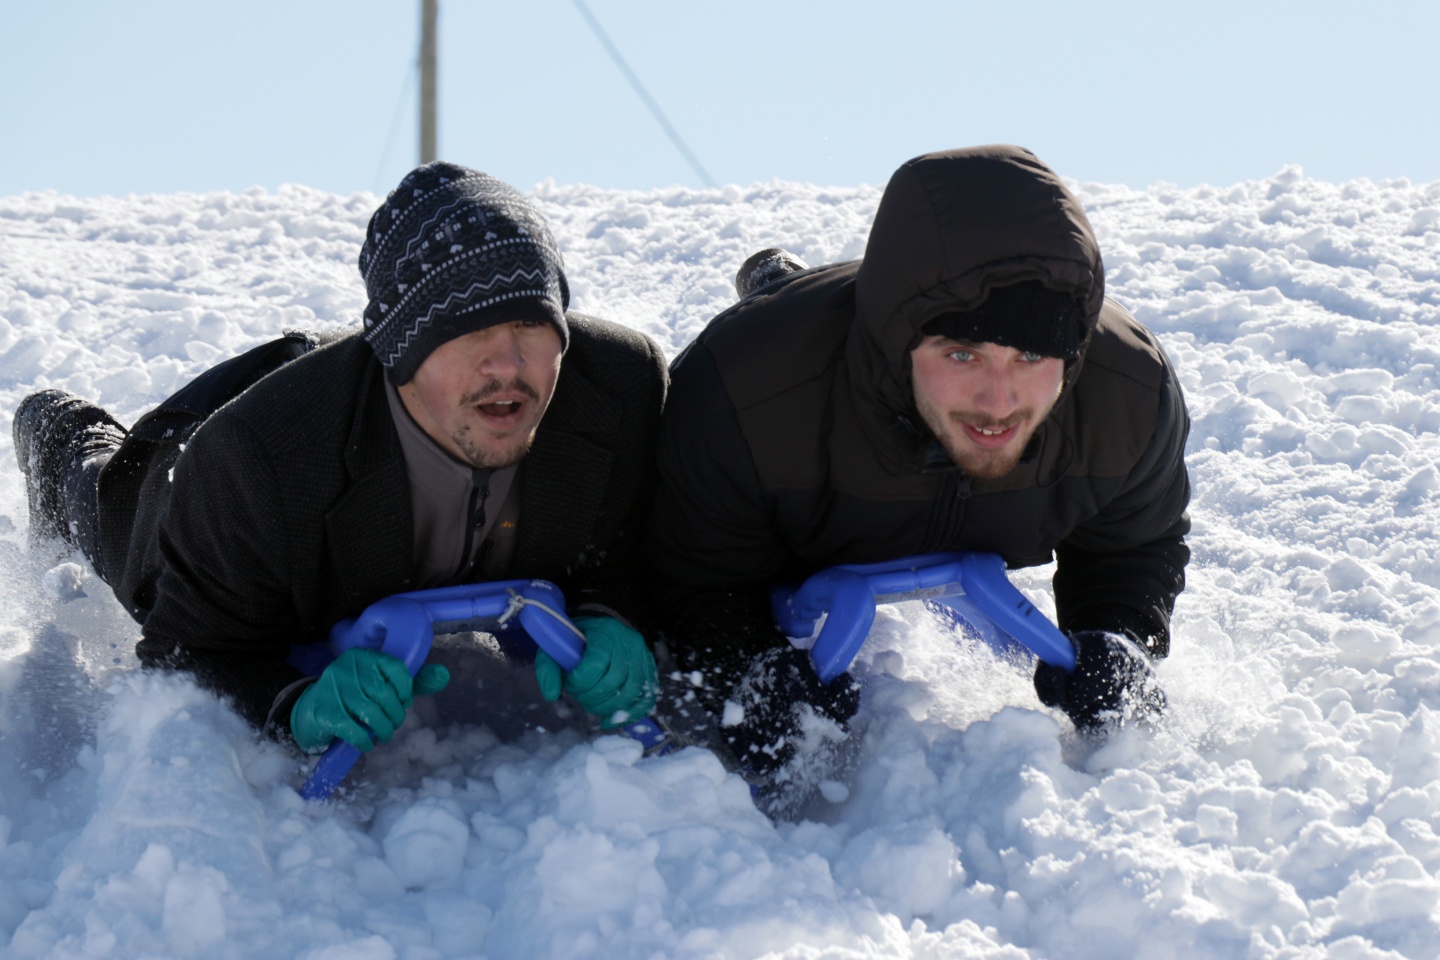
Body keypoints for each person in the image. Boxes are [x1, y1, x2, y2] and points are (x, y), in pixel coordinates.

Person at [13, 162, 668, 757]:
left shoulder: (618, 385)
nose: (507, 365)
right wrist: (293, 706)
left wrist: (613, 619)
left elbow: (628, 552)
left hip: (345, 391)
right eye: (468, 331)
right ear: (405, 347)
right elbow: (190, 650)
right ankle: (56, 430)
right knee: (106, 499)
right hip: (217, 453)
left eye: (530, 326)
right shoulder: (254, 462)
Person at [646, 145, 1190, 790]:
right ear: (897, 339)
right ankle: (781, 285)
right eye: (961, 355)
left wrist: (1117, 631)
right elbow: (687, 571)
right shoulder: (742, 392)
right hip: (811, 407)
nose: (997, 402)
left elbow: (1133, 540)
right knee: (793, 331)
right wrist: (744, 666)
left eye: (1031, 357)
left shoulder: (1125, 393)